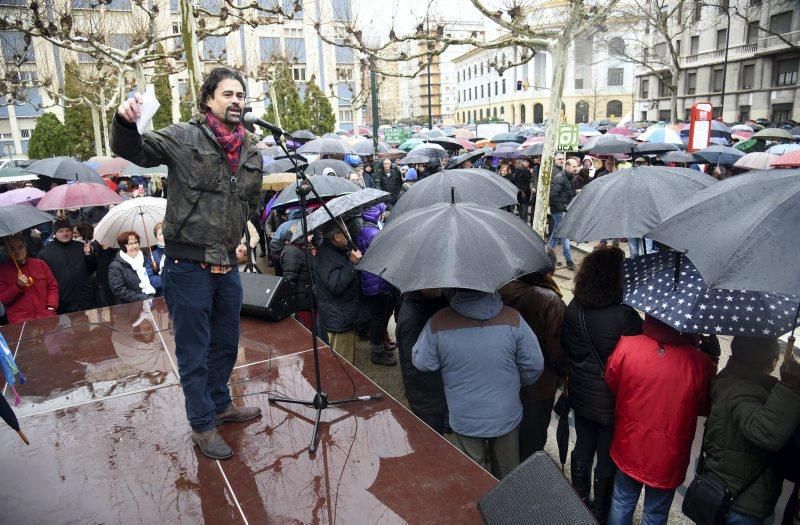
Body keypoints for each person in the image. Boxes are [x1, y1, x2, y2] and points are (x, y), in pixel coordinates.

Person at [113, 67, 263, 460]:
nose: (236, 101)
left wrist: (246, 240)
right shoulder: (184, 136)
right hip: (187, 267)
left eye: (240, 95)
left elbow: (249, 202)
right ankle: (202, 424)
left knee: (227, 345)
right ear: (209, 99)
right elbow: (136, 151)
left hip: (228, 265)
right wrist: (124, 122)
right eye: (228, 94)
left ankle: (221, 403)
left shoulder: (251, 148)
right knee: (194, 352)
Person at [413, 289, 544, 479]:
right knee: (507, 476)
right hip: (505, 413)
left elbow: (423, 362)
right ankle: (506, 507)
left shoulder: (439, 321)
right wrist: (514, 385)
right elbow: (534, 365)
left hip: (464, 415)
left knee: (472, 478)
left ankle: (474, 507)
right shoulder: (512, 318)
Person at [606, 316, 715, 525]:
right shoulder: (700, 363)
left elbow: (612, 380)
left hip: (629, 442)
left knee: (621, 501)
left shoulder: (628, 345)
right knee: (655, 514)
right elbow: (705, 406)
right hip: (668, 455)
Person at [562, 246, 643, 523]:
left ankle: (579, 498)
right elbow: (635, 363)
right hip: (611, 399)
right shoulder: (626, 317)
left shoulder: (574, 308)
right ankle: (600, 510)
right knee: (607, 456)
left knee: (582, 445)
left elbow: (568, 348)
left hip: (582, 395)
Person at [700, 337, 800, 524]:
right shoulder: (743, 393)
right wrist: (790, 387)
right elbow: (765, 432)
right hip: (741, 502)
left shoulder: (728, 378)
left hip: (720, 488)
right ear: (770, 362)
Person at [500, 248, 567, 460]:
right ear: (551, 271)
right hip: (539, 385)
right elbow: (557, 351)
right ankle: (526, 484)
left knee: (506, 441)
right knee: (532, 443)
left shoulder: (504, 289)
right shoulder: (550, 301)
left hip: (505, 379)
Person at [395, 288, 449, 434]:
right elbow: (413, 365)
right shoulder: (412, 317)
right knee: (431, 437)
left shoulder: (432, 303)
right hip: (427, 399)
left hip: (436, 391)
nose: (440, 288)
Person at [312, 219, 364, 364]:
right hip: (339, 319)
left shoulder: (335, 251)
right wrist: (351, 263)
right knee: (343, 365)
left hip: (342, 314)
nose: (348, 235)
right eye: (345, 232)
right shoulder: (327, 256)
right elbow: (336, 285)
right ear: (336, 237)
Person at [356, 204, 396, 366]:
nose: (383, 214)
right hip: (377, 280)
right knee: (379, 317)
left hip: (373, 278)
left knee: (380, 315)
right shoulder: (372, 233)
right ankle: (377, 352)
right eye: (381, 212)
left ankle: (379, 346)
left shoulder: (366, 229)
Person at [38, 219, 97, 314]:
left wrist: (89, 255)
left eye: (67, 230)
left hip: (85, 298)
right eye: (60, 231)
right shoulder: (44, 254)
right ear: (54, 234)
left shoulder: (81, 247)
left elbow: (91, 269)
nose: (65, 233)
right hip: (63, 301)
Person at [0, 235, 59, 324]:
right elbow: (3, 300)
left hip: (46, 318)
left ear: (25, 247)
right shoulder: (3, 272)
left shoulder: (39, 264)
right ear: (7, 251)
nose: (17, 251)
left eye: (20, 247)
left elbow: (52, 286)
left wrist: (51, 306)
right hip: (20, 323)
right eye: (12, 249)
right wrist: (17, 286)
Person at [280, 224, 314, 332]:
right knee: (306, 333)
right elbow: (289, 281)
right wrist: (291, 306)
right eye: (308, 234)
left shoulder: (299, 249)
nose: (311, 236)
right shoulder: (292, 252)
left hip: (306, 299)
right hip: (302, 303)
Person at [108, 231, 157, 304]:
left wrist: (156, 268)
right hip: (131, 307)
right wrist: (143, 297)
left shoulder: (146, 259)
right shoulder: (116, 266)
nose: (134, 246)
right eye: (130, 244)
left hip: (153, 300)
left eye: (136, 242)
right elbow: (119, 290)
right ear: (123, 246)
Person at [548, 157, 578, 270]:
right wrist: (562, 209)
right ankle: (569, 260)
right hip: (559, 211)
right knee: (564, 234)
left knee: (556, 235)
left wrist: (575, 192)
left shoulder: (569, 177)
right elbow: (553, 195)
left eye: (576, 166)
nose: (576, 169)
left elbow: (566, 193)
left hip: (563, 209)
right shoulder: (560, 177)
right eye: (574, 167)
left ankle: (547, 257)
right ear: (568, 166)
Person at [145, 222, 166, 297]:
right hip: (162, 293)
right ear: (156, 237)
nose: (164, 236)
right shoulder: (152, 255)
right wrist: (167, 280)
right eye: (160, 234)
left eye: (165, 232)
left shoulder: (176, 251)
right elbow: (151, 278)